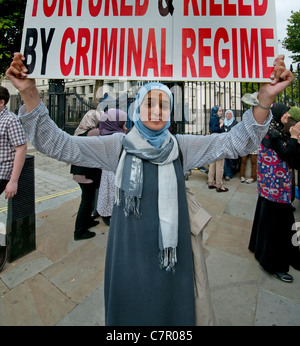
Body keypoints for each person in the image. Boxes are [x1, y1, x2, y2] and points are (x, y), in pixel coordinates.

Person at [6, 52, 294, 325]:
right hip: (127, 256)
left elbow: (235, 142)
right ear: (137, 108)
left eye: (164, 105)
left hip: (172, 255)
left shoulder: (182, 146)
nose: (156, 111)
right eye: (149, 104)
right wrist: (30, 93)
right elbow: (59, 144)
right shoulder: (116, 146)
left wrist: (265, 98)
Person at [249, 103, 300, 283]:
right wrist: (294, 137)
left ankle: (287, 254)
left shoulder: (276, 129)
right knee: (276, 227)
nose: (287, 115)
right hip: (275, 188)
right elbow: (286, 153)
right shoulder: (272, 132)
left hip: (272, 187)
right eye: (285, 112)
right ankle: (274, 264)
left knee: (276, 222)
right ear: (277, 114)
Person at [0, 85, 27, 271]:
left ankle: (1, 249)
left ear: (1, 102)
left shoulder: (10, 120)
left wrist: (13, 180)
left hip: (2, 173)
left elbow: (21, 148)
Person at [70, 110, 102, 240]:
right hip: (87, 173)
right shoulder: (93, 132)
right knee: (86, 201)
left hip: (78, 171)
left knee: (86, 199)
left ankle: (88, 221)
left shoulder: (79, 132)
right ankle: (79, 231)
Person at [96, 109, 127, 226]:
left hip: (106, 171)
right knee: (115, 196)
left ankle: (106, 214)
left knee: (107, 194)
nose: (125, 125)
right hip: (117, 172)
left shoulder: (103, 134)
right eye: (123, 123)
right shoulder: (119, 137)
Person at [207, 105, 228, 192]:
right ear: (215, 111)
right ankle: (219, 185)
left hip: (213, 142)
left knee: (213, 163)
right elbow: (214, 130)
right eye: (219, 111)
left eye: (221, 111)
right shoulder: (215, 119)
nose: (221, 112)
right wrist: (221, 124)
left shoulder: (213, 118)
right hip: (218, 142)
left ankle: (211, 182)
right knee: (219, 164)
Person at [223, 109, 239, 181]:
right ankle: (226, 173)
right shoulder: (223, 122)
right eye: (227, 114)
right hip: (224, 143)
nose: (228, 115)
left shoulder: (235, 123)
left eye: (230, 114)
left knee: (231, 159)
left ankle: (230, 174)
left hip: (232, 143)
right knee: (225, 159)